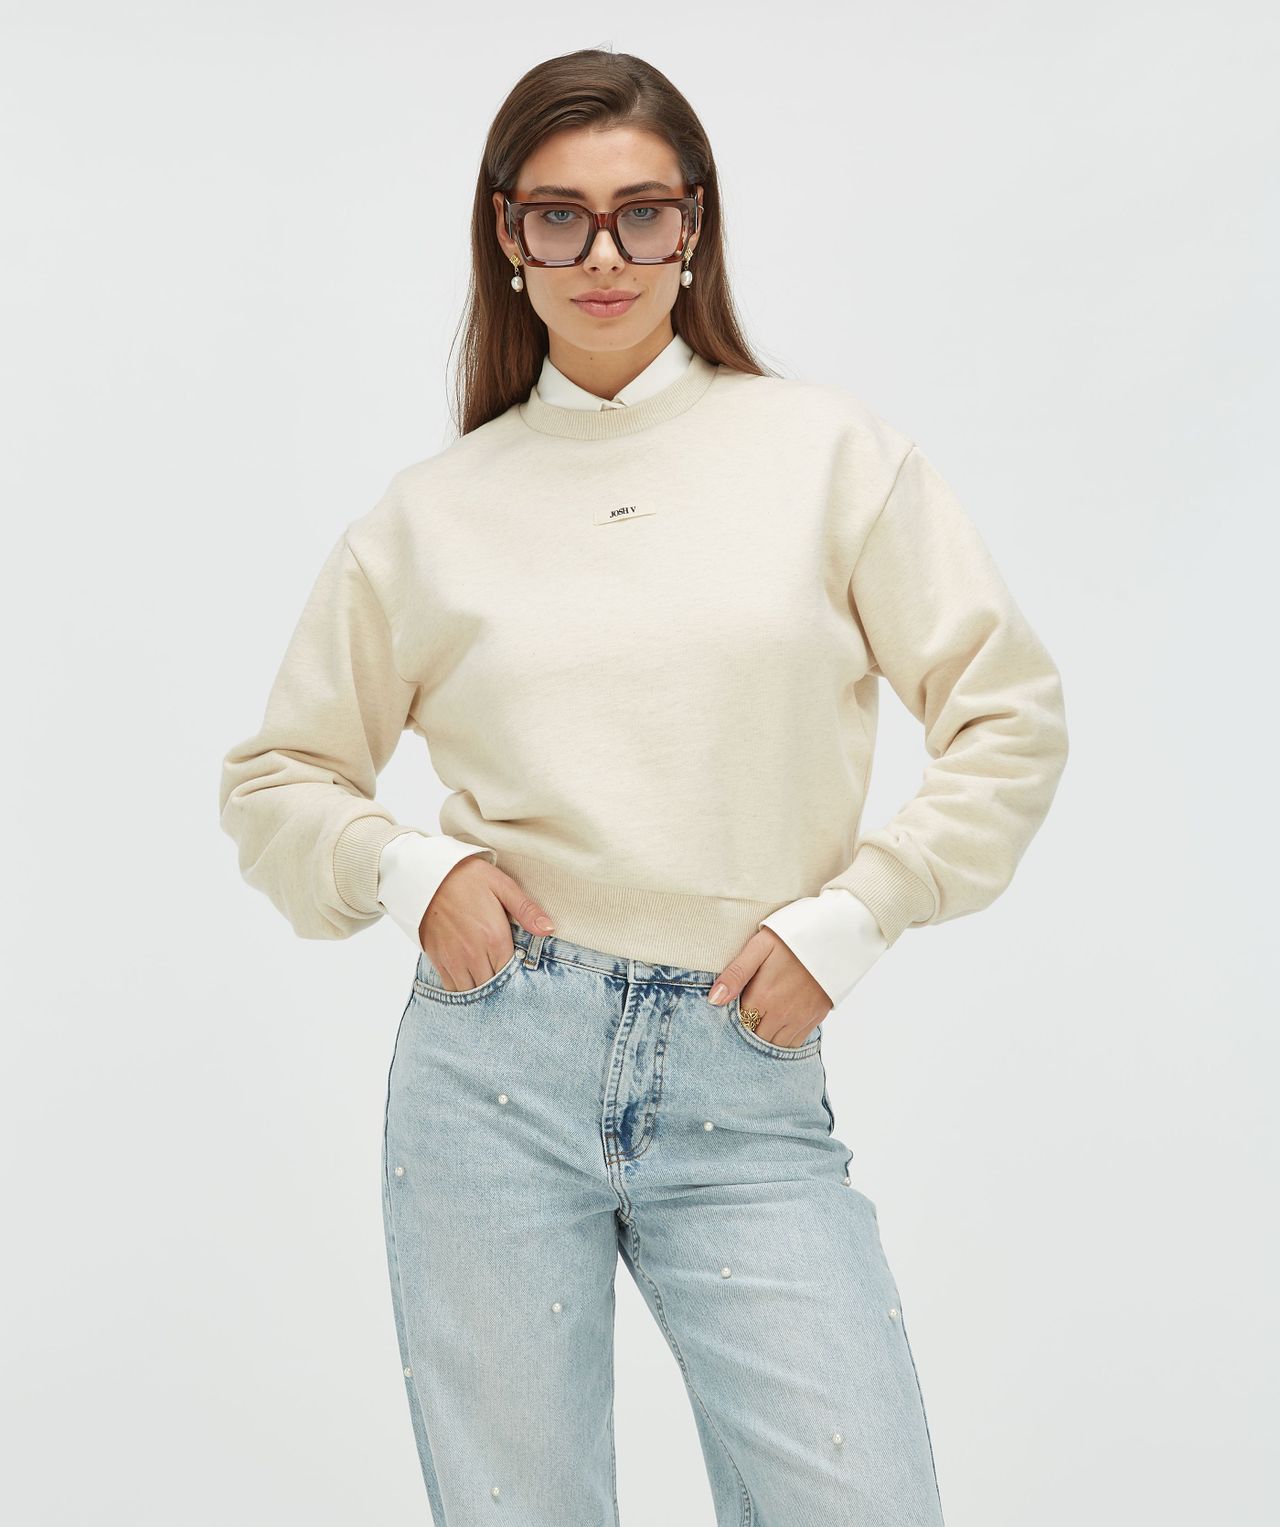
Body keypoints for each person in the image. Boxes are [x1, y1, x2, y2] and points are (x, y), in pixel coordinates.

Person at [218, 47, 1068, 1527]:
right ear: (508, 234)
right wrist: (412, 872)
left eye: (642, 214)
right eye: (561, 217)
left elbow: (1010, 716)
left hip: (745, 1068)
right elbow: (276, 779)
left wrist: (857, 915)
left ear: (695, 225)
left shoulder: (831, 458)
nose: (603, 256)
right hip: (492, 1072)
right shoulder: (432, 518)